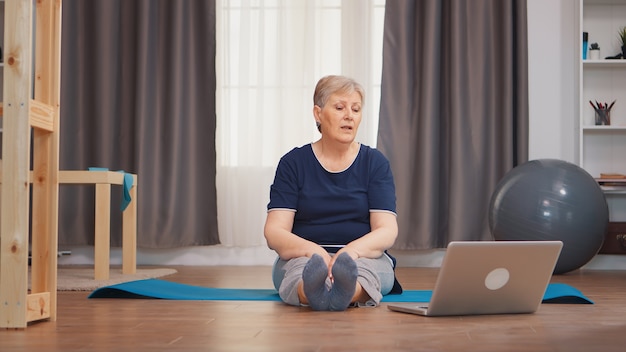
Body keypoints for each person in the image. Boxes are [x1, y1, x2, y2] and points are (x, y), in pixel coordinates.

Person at [264, 75, 402, 311]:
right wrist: (314, 252)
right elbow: (275, 231)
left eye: (356, 109)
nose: (349, 115)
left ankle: (346, 291)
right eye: (340, 107)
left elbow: (387, 230)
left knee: (368, 272)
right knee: (298, 271)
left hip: (362, 257)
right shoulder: (293, 163)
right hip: (305, 256)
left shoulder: (374, 162)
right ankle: (313, 291)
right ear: (318, 114)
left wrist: (350, 253)